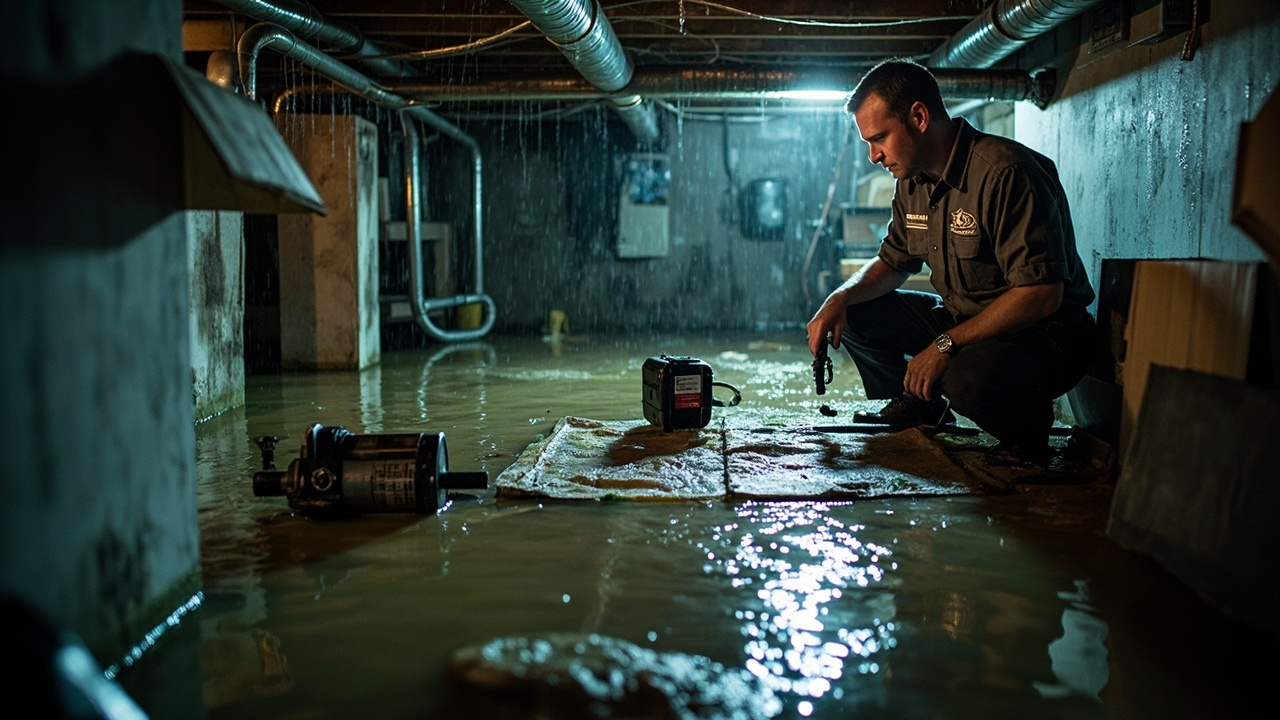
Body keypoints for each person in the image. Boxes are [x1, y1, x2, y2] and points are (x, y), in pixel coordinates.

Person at [806, 58, 1096, 467]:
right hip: (965, 322)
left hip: (1043, 336)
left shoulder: (1006, 174)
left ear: (919, 117)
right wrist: (839, 297)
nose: (874, 156)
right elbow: (893, 262)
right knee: (853, 311)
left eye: (879, 138)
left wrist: (945, 345)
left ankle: (1028, 438)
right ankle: (917, 405)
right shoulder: (912, 181)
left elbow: (1041, 295)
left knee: (964, 377)